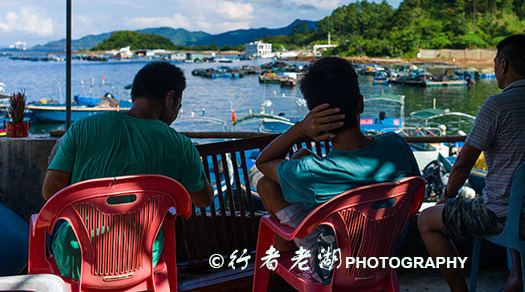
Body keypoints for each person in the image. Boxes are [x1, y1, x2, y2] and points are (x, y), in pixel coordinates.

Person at [418, 34, 525, 292]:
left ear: (504, 65)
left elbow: (464, 163)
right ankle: (516, 277)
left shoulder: (496, 106)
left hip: (505, 218)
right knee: (510, 191)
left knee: (426, 221)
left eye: (496, 62)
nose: (494, 68)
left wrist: (446, 197)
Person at [255, 56, 421, 282]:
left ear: (314, 116)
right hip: (386, 255)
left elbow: (263, 163)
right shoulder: (396, 145)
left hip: (333, 270)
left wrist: (299, 129)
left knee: (267, 184)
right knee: (302, 156)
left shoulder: (313, 172)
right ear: (360, 104)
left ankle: (303, 245)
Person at [42, 61, 213, 280]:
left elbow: (50, 191)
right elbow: (204, 199)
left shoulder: (84, 128)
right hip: (141, 259)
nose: (178, 112)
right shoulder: (180, 146)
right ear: (170, 98)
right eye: (179, 104)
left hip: (76, 260)